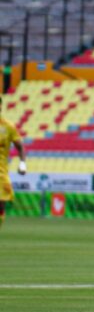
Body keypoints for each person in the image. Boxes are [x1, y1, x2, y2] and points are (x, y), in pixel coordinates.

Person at [0, 96, 27, 230]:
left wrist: (22, 164)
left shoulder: (8, 127)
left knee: (1, 205)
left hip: (1, 173)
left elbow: (20, 146)